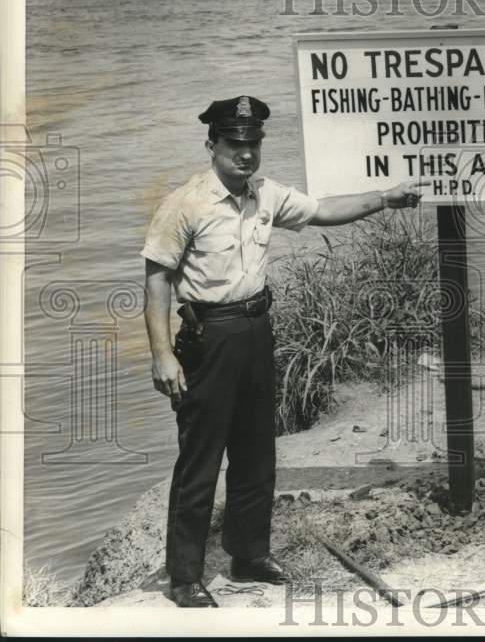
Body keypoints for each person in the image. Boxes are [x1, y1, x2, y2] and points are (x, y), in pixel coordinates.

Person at [141, 95, 426, 608]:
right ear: (212, 145)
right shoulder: (184, 203)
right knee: (200, 461)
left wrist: (386, 197)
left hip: (256, 329)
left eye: (253, 144)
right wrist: (163, 355)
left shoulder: (265, 195)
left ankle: (249, 555)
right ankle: (184, 576)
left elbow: (323, 210)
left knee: (257, 452)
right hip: (208, 339)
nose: (245, 154)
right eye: (235, 144)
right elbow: (157, 279)